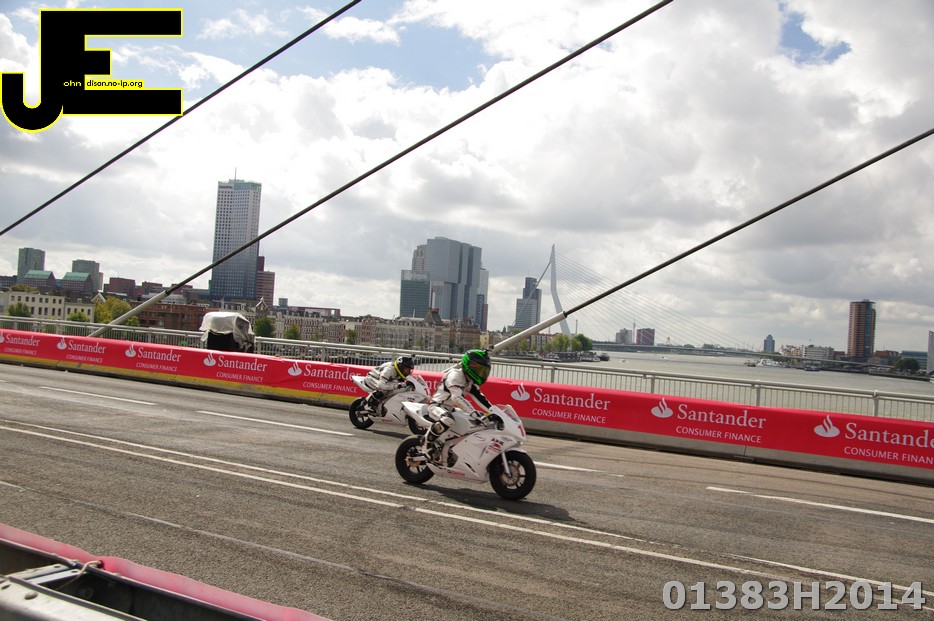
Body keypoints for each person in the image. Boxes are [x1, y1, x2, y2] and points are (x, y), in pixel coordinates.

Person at [423, 349, 493, 456]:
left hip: (451, 409)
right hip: (436, 406)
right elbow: (457, 398)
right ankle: (426, 444)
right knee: (448, 420)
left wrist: (495, 412)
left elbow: (481, 399)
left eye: (484, 371)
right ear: (468, 365)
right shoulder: (455, 375)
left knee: (475, 423)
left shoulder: (470, 382)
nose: (481, 374)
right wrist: (473, 412)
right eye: (479, 370)